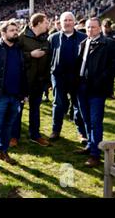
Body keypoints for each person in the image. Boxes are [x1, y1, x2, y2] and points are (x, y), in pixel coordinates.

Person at [75, 17, 115, 167]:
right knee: (86, 119)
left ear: (100, 28)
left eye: (93, 27)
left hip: (97, 89)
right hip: (82, 87)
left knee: (95, 121)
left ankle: (95, 154)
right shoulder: (83, 43)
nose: (90, 30)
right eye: (88, 27)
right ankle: (90, 145)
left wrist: (102, 78)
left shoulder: (109, 44)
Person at [0, 20, 26, 169]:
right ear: (3, 33)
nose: (15, 32)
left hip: (15, 96)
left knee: (8, 126)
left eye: (16, 29)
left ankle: (3, 151)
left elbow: (22, 72)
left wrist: (23, 93)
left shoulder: (19, 49)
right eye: (12, 30)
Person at [11, 13, 51, 147]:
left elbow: (48, 62)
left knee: (35, 109)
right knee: (18, 110)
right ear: (38, 23)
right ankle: (13, 136)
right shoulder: (21, 37)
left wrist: (47, 81)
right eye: (46, 22)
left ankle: (35, 135)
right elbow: (14, 57)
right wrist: (30, 55)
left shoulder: (46, 40)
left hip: (39, 82)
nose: (48, 24)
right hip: (23, 81)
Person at [48, 12, 87, 142]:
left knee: (78, 105)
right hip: (58, 77)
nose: (68, 23)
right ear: (60, 22)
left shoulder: (84, 37)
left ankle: (81, 132)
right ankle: (56, 130)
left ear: (74, 22)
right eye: (65, 20)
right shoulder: (53, 38)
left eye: (70, 20)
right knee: (58, 104)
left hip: (77, 77)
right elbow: (48, 59)